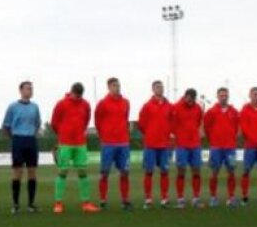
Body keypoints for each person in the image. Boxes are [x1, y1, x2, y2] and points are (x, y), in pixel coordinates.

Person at [50, 82, 97, 214]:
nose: (78, 98)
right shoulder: (61, 104)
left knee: (82, 172)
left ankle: (86, 203)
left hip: (80, 143)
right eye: (76, 95)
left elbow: (86, 120)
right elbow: (54, 122)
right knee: (63, 172)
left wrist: (79, 132)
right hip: (65, 143)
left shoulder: (86, 104)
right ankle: (58, 203)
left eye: (80, 96)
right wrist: (62, 135)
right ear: (71, 92)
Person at [3, 80, 42, 213]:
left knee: (32, 172)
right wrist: (14, 139)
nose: (30, 91)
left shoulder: (35, 107)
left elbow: (37, 124)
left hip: (31, 140)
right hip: (18, 140)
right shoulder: (13, 107)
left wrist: (33, 135)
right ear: (20, 91)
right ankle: (15, 204)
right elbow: (6, 126)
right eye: (27, 89)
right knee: (17, 172)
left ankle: (31, 204)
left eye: (31, 89)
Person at [94, 78, 132, 211]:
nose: (117, 88)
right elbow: (97, 122)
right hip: (108, 143)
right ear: (109, 87)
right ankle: (103, 200)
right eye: (114, 85)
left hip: (123, 143)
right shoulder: (102, 104)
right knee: (104, 173)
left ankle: (125, 200)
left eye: (118, 85)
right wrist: (104, 136)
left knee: (125, 172)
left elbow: (126, 119)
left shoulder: (126, 102)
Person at [136, 80, 173, 209]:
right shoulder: (147, 106)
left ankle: (164, 198)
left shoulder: (169, 106)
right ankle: (148, 199)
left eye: (161, 87)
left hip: (164, 145)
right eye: (157, 87)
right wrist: (150, 133)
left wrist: (167, 133)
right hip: (151, 144)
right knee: (149, 172)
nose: (160, 89)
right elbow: (141, 124)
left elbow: (173, 122)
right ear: (153, 89)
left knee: (165, 171)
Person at [203, 87, 240, 207]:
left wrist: (231, 139)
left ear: (228, 96)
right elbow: (207, 129)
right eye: (221, 95)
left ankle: (231, 197)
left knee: (231, 172)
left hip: (230, 147)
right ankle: (213, 197)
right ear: (217, 96)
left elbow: (236, 128)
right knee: (214, 172)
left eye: (225, 95)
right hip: (216, 147)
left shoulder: (234, 111)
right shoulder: (211, 112)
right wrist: (213, 140)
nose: (223, 97)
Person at [171, 88, 204, 208]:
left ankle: (196, 198)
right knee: (181, 171)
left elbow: (198, 121)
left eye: (193, 99)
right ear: (185, 96)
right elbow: (171, 123)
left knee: (196, 171)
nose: (191, 101)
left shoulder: (197, 108)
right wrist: (177, 135)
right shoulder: (176, 107)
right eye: (189, 98)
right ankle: (180, 199)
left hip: (195, 144)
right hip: (182, 145)